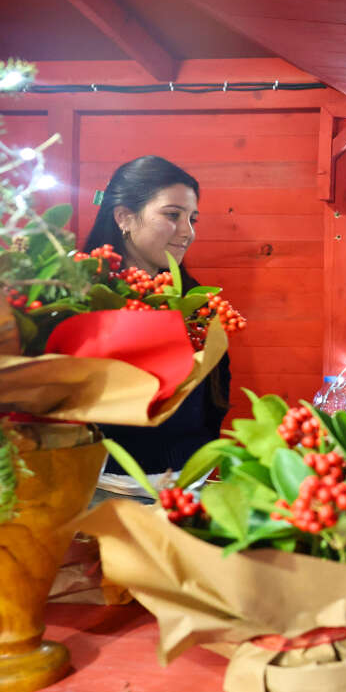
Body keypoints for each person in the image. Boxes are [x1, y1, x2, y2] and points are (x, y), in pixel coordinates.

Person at [83, 156, 230, 497]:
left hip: (188, 486)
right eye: (172, 215)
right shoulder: (83, 296)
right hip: (103, 488)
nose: (187, 232)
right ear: (124, 217)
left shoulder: (194, 299)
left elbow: (214, 392)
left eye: (192, 219)